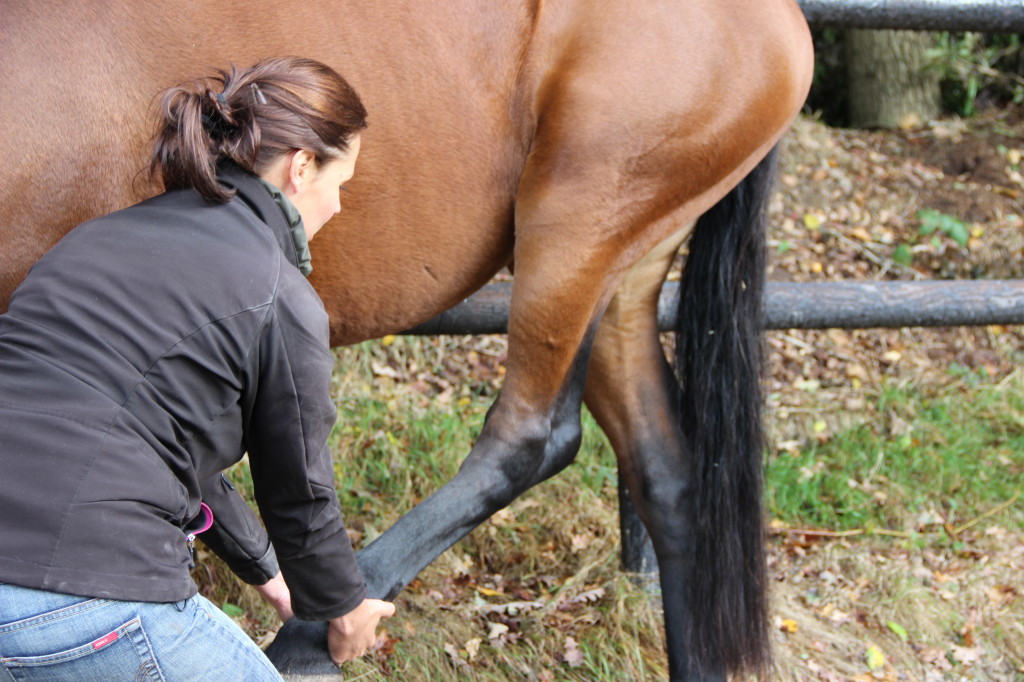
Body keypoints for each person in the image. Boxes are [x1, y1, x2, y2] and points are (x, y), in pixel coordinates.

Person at [0, 56, 394, 680]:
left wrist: (269, 575)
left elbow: (151, 438)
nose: (339, 207)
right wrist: (344, 609)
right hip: (87, 593)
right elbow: (302, 492)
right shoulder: (279, 294)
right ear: (301, 167)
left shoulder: (97, 238)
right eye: (340, 182)